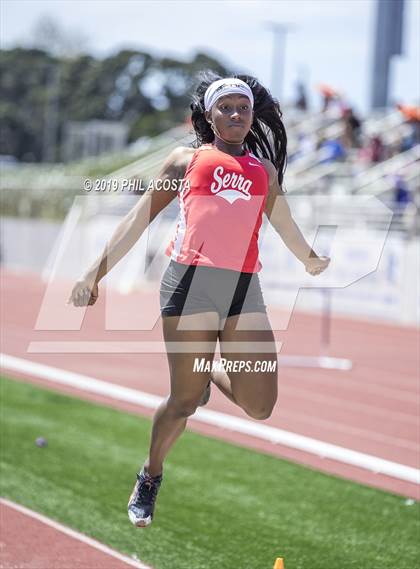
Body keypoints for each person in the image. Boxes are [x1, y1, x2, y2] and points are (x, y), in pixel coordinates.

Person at [67, 73, 330, 528]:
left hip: (243, 289)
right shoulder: (185, 160)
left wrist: (309, 259)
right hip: (189, 284)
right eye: (225, 108)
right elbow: (137, 218)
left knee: (260, 404)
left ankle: (206, 366)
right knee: (184, 403)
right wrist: (94, 273)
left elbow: (284, 224)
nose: (235, 115)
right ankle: (150, 475)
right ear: (207, 116)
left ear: (252, 116)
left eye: (242, 108)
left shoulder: (263, 172)